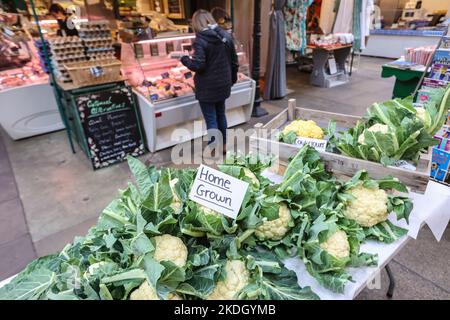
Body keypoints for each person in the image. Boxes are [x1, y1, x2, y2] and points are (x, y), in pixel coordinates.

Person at [180, 10, 238, 155]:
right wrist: (232, 79)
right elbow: (234, 61)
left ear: (196, 23)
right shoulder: (225, 35)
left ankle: (213, 147)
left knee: (211, 118)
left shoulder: (200, 40)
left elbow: (198, 65)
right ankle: (224, 145)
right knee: (221, 114)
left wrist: (184, 59)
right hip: (223, 84)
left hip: (207, 87)